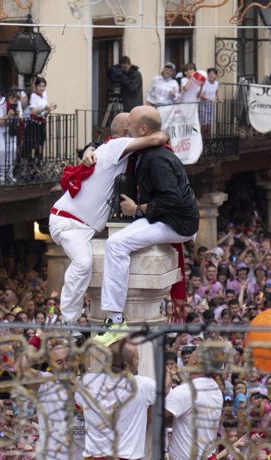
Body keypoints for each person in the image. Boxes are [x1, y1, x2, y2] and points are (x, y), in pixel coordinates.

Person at [48, 113, 168, 336]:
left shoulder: (110, 149)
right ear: (125, 131)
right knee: (83, 263)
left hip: (83, 225)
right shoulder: (117, 145)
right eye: (131, 126)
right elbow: (155, 140)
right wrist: (163, 132)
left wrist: (88, 149)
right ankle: (67, 323)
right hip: (69, 222)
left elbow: (96, 145)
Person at [99, 105, 199, 331]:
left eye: (130, 125)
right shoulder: (149, 149)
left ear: (143, 130)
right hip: (169, 218)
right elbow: (104, 145)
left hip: (177, 224)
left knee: (115, 245)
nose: (127, 128)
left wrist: (137, 209)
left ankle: (114, 319)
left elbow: (173, 200)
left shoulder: (156, 159)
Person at [76, 337, 168, 459]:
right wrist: (168, 372)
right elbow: (165, 389)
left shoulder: (87, 382)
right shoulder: (142, 385)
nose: (139, 361)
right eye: (137, 358)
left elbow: (80, 406)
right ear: (126, 366)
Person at [165, 344, 224, 460]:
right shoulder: (215, 388)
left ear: (196, 359)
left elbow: (153, 416)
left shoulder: (186, 391)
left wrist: (166, 379)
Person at [23, 76, 57, 164]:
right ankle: (31, 165)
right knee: (33, 145)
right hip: (34, 124)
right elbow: (33, 111)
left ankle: (38, 163)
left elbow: (44, 114)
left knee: (41, 144)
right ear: (36, 86)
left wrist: (49, 109)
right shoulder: (34, 96)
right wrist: (44, 108)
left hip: (42, 123)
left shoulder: (44, 95)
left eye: (43, 86)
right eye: (40, 86)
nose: (42, 88)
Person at [0, 88, 21, 184]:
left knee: (12, 150)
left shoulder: (17, 103)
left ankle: (9, 174)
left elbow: (20, 117)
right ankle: (1, 174)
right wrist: (8, 115)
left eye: (17, 100)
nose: (15, 102)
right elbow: (0, 121)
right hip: (1, 130)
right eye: (14, 99)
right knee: (1, 150)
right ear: (9, 97)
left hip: (11, 130)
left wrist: (16, 115)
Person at [199, 68, 220, 138]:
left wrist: (219, 98)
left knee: (210, 124)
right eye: (210, 73)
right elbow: (201, 95)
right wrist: (210, 100)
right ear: (208, 75)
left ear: (215, 75)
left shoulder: (216, 83)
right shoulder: (205, 83)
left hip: (212, 106)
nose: (211, 75)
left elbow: (216, 92)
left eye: (213, 74)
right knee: (204, 125)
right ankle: (203, 140)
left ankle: (208, 140)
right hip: (204, 106)